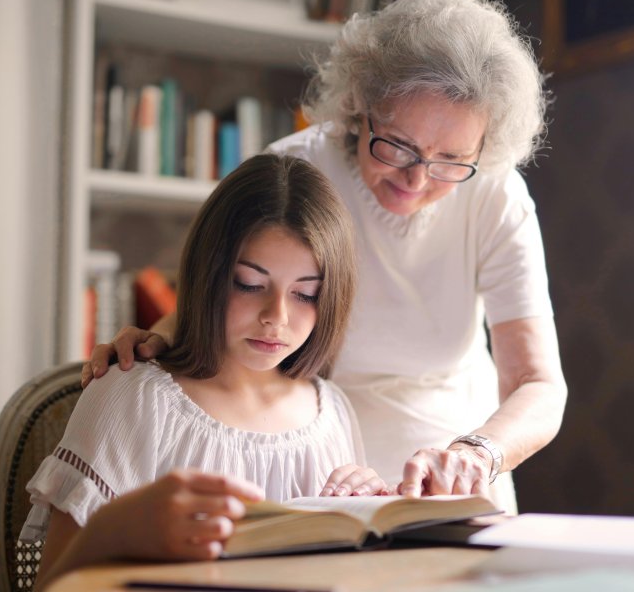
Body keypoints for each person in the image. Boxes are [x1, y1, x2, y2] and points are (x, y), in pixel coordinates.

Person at [85, 0, 567, 514]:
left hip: (455, 476)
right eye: (399, 146)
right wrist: (151, 340)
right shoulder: (295, 172)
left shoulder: (495, 195)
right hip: (320, 464)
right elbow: (228, 297)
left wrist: (478, 453)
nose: (417, 178)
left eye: (451, 160)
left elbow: (537, 384)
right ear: (361, 106)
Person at [23, 154, 386, 590]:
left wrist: (368, 515)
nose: (277, 316)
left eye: (306, 294)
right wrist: (118, 525)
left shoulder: (332, 413)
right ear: (209, 273)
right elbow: (53, 583)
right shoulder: (134, 398)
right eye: (250, 285)